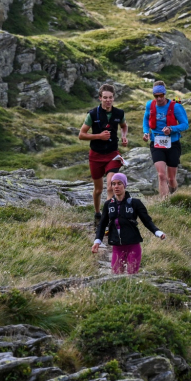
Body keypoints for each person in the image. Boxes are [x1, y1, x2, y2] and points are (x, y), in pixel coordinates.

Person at [92, 173, 167, 275]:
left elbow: (147, 221)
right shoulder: (108, 204)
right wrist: (97, 241)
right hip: (117, 246)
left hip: (133, 245)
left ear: (125, 185)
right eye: (113, 184)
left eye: (119, 183)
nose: (116, 186)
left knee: (132, 275)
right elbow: (102, 224)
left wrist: (157, 232)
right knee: (116, 276)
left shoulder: (135, 203)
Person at [79, 83, 128, 221]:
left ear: (113, 98)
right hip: (96, 155)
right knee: (99, 190)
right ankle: (97, 212)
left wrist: (124, 136)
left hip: (113, 154)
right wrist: (98, 136)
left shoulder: (119, 113)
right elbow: (81, 135)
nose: (108, 100)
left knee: (111, 186)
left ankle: (109, 217)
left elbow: (124, 126)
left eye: (110, 97)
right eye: (105, 97)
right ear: (100, 98)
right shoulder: (93, 114)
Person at [141, 81, 189, 198]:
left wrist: (171, 129)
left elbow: (185, 124)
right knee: (161, 175)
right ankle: (164, 203)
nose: (158, 99)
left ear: (164, 94)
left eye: (160, 96)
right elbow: (146, 120)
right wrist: (146, 132)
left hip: (172, 144)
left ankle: (174, 195)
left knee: (171, 179)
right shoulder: (150, 105)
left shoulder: (176, 106)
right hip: (156, 144)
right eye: (155, 96)